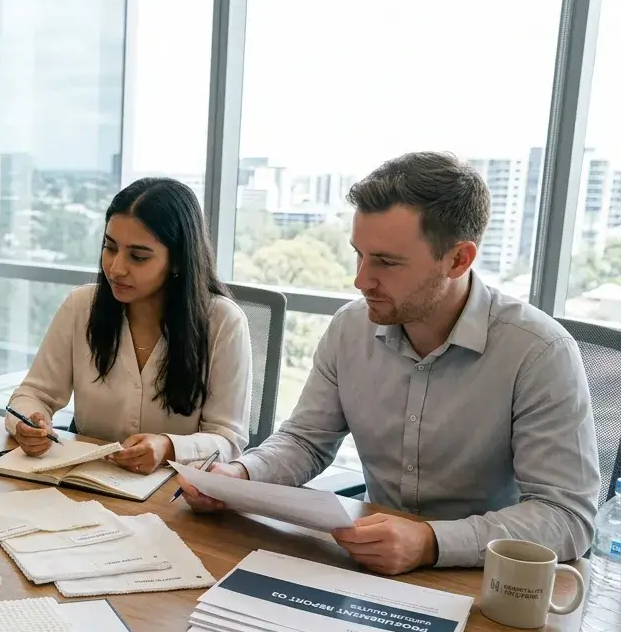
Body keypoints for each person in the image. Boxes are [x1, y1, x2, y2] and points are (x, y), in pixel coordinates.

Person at [179, 151, 599, 575]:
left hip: (485, 580)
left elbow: (566, 516)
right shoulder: (349, 328)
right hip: (369, 565)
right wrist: (241, 475)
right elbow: (306, 440)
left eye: (386, 262)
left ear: (459, 260)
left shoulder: (539, 352)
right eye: (359, 255)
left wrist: (431, 542)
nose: (361, 279)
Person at [6, 177, 251, 474]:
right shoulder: (80, 306)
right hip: (85, 482)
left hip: (173, 492)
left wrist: (168, 446)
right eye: (110, 248)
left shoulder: (223, 322)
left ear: (177, 261)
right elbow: (33, 394)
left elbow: (227, 439)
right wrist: (27, 423)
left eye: (138, 256)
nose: (116, 268)